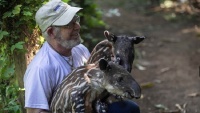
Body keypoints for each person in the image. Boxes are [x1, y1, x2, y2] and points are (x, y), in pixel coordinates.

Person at [23, 0, 140, 113]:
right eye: (69, 24)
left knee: (129, 108)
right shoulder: (40, 68)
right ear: (51, 32)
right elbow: (35, 111)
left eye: (76, 20)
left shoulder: (79, 49)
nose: (77, 26)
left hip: (92, 105)